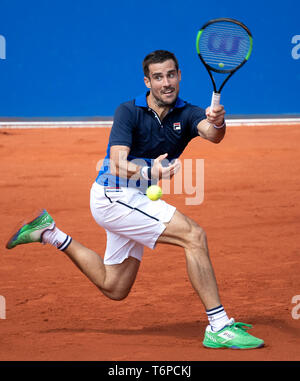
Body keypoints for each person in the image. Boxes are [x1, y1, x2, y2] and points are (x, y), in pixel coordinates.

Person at [6, 50, 264, 349]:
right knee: (193, 236)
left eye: (170, 75)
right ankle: (219, 326)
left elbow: (212, 134)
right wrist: (149, 170)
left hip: (133, 199)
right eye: (158, 77)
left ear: (179, 76)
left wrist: (218, 121)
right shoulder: (128, 111)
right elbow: (116, 163)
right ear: (148, 81)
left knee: (114, 286)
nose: (165, 83)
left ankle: (50, 232)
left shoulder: (189, 113)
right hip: (113, 196)